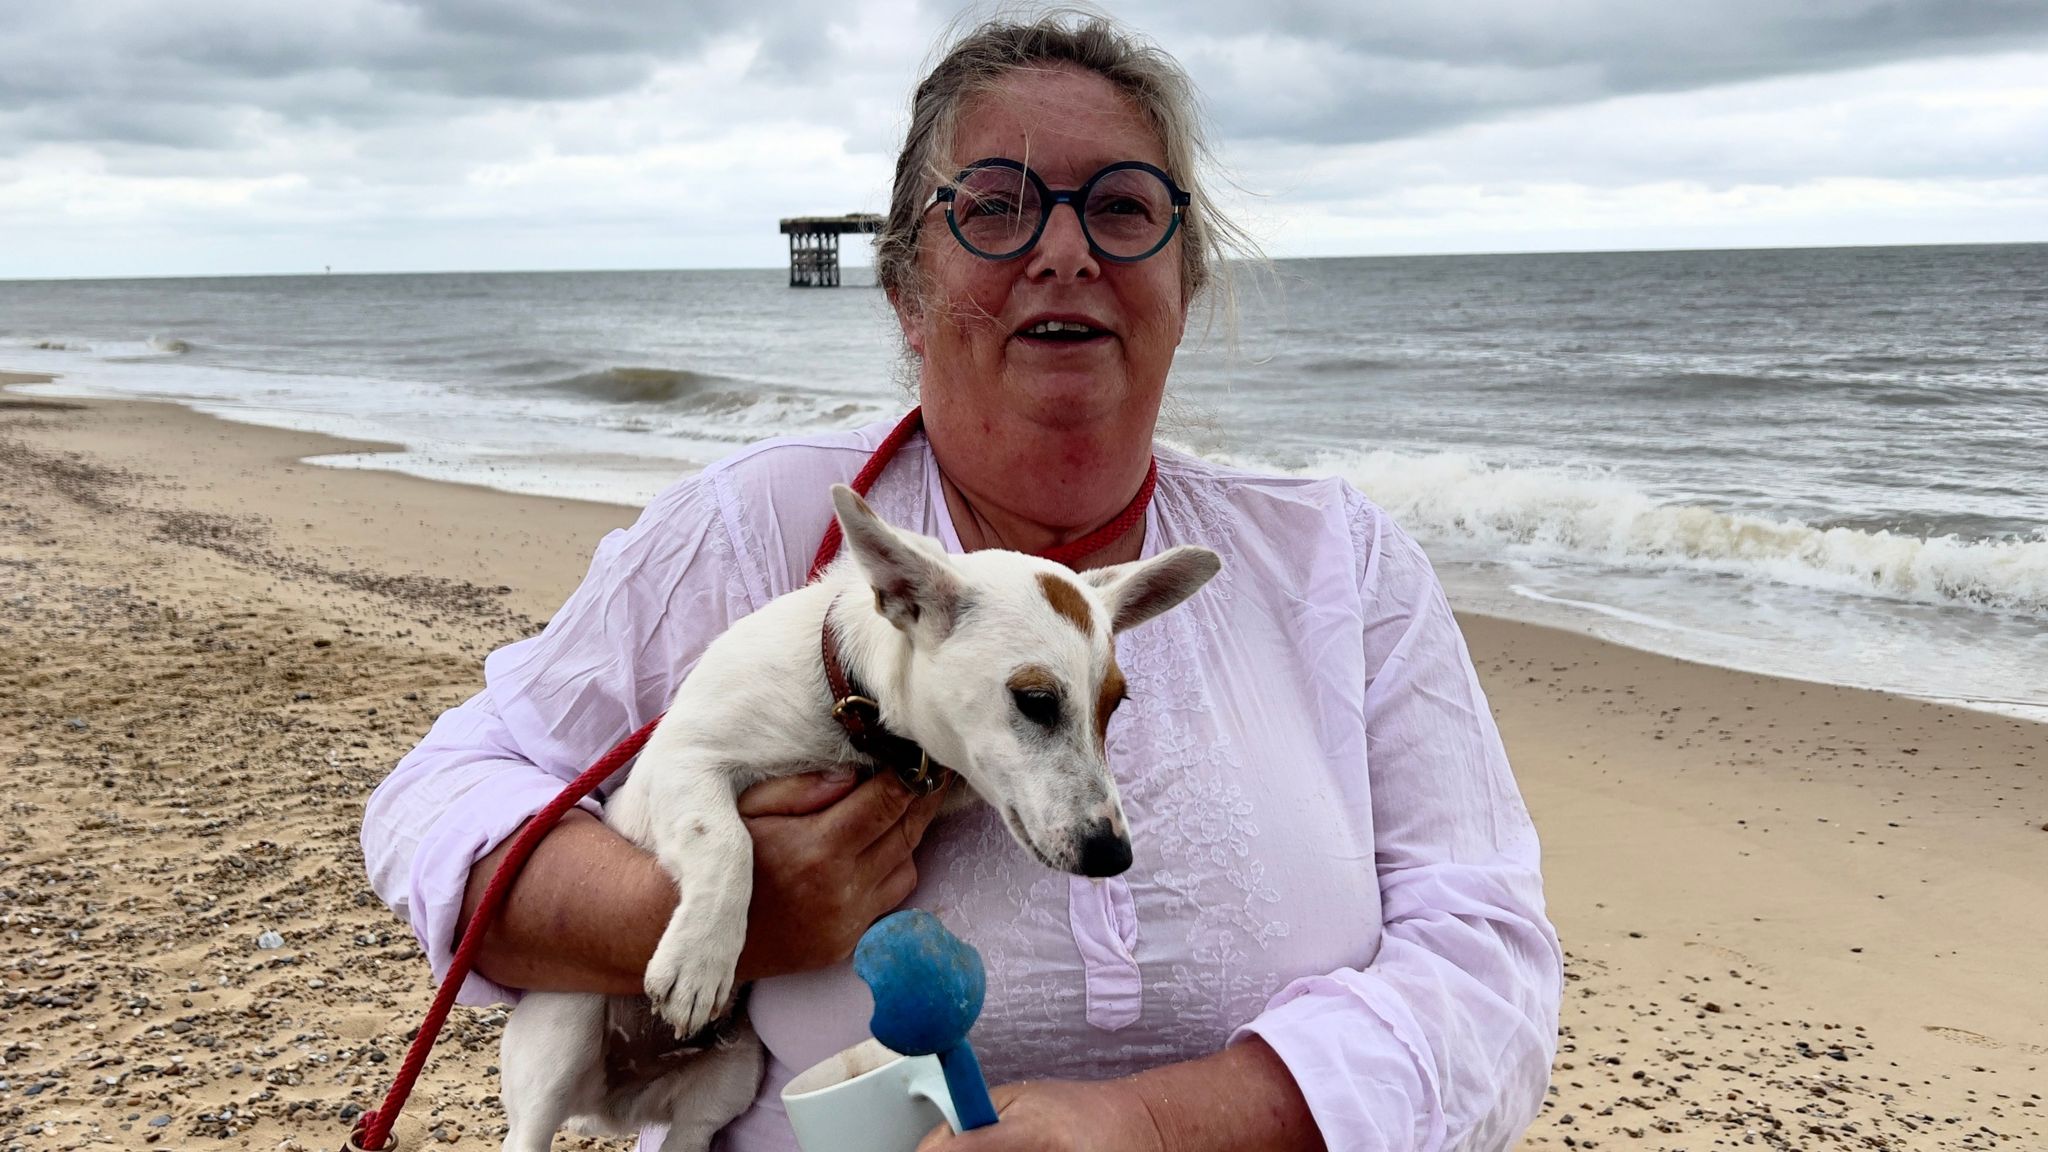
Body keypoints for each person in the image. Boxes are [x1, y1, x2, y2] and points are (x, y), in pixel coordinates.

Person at [363, 13, 1562, 1151]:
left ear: (1181, 286)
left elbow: (1491, 966)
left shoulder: (1333, 565)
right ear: (904, 289)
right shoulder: (754, 528)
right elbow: (435, 802)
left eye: (1122, 208)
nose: (1064, 250)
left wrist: (1160, 1125)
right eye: (994, 208)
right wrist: (694, 904)